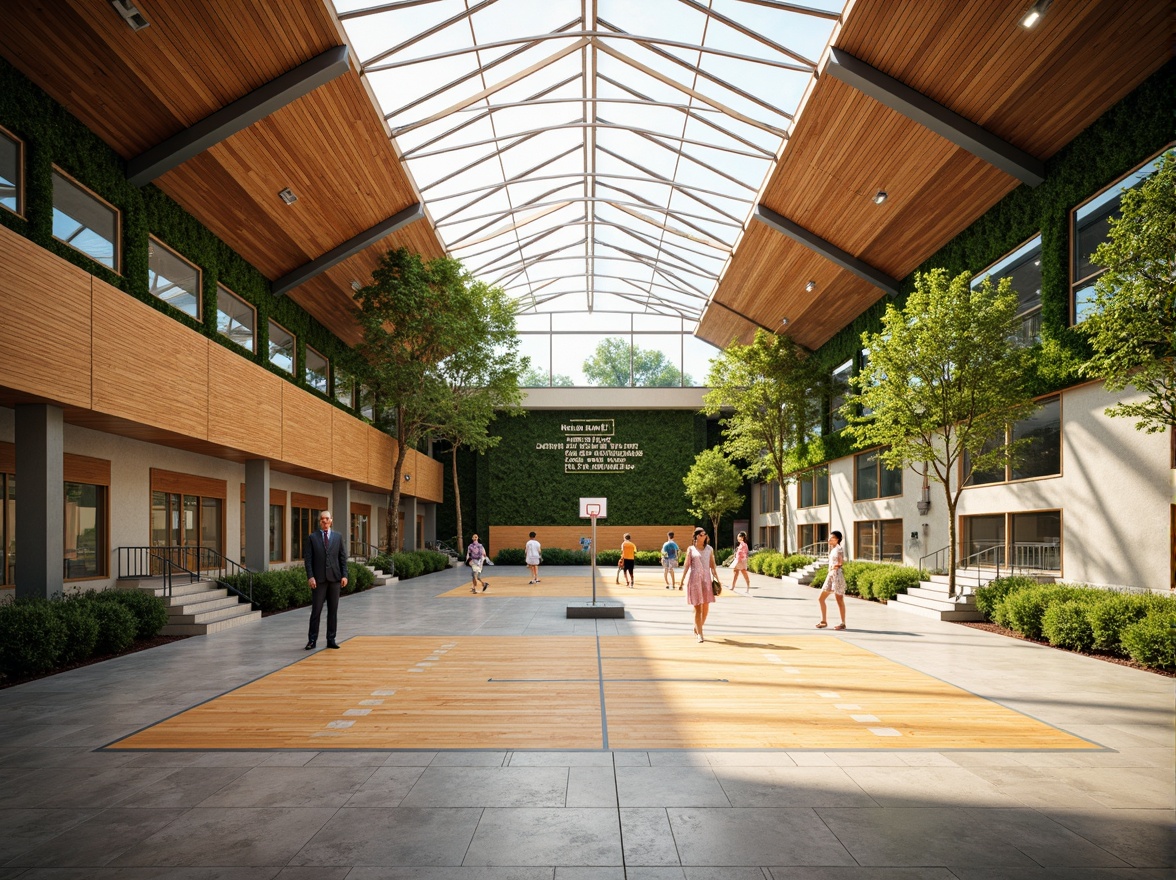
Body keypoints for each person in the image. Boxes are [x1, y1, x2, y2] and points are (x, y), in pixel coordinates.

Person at [303, 510, 348, 650]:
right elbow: (308, 559)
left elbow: (342, 558)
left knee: (333, 611)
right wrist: (310, 576)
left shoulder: (338, 537)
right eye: (322, 519)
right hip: (319, 580)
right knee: (316, 611)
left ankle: (331, 639)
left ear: (331, 520)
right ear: (320, 521)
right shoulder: (312, 537)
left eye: (327, 519)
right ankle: (312, 640)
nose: (325, 521)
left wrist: (344, 575)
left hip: (335, 579)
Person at [679, 527, 719, 643]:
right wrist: (681, 581)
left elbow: (712, 565)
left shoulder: (709, 549)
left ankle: (697, 627)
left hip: (706, 580)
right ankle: (700, 634)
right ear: (696, 536)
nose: (704, 536)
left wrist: (717, 578)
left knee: (706, 608)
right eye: (702, 534)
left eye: (705, 534)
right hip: (695, 580)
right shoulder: (691, 549)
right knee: (697, 608)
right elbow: (686, 565)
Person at [817, 530, 847, 630]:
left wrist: (835, 567)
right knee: (821, 598)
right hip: (831, 576)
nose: (829, 539)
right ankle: (824, 621)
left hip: (836, 576)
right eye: (829, 537)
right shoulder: (833, 549)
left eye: (832, 538)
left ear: (837, 540)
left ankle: (842, 623)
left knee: (839, 600)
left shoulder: (838, 549)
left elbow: (840, 562)